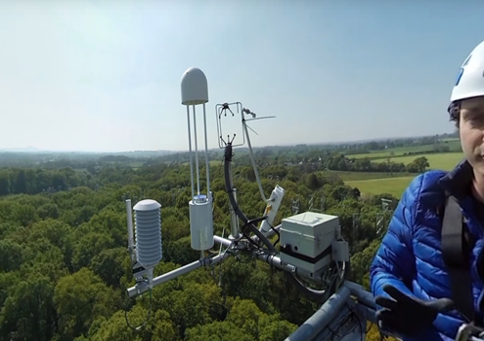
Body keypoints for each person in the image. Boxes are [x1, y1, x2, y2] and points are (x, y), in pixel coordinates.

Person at [370, 38, 484, 341]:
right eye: (478, 116)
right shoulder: (425, 197)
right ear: (458, 122)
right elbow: (384, 268)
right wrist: (399, 302)